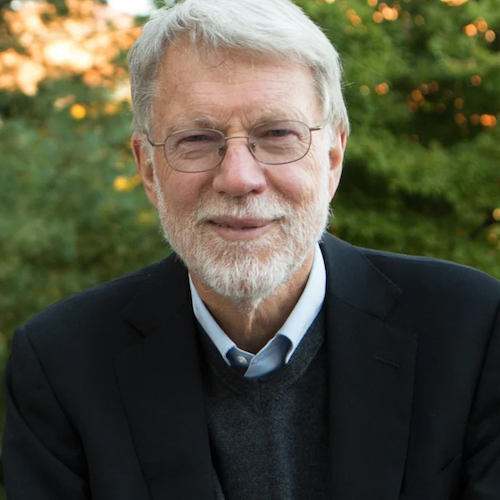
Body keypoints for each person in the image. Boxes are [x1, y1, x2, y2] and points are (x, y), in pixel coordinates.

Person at [3, 0, 500, 498]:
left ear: (332, 157)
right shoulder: (60, 366)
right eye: (196, 138)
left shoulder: (472, 332)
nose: (238, 178)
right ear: (149, 169)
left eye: (277, 134)